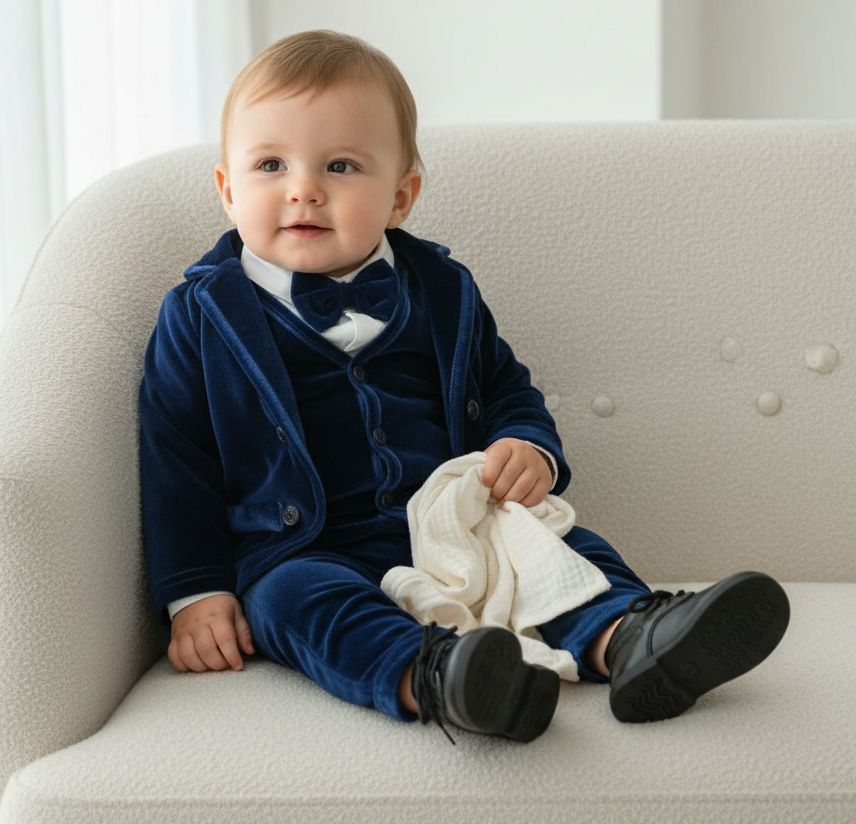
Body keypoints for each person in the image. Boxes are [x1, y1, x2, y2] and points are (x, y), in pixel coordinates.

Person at [138, 30, 790, 745]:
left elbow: (504, 385)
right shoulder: (200, 316)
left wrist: (528, 446)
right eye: (270, 165)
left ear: (400, 196)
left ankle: (634, 641)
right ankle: (442, 677)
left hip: (454, 516)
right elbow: (177, 459)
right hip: (304, 544)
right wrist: (195, 591)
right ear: (228, 190)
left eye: (341, 165)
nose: (304, 189)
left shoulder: (444, 290)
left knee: (556, 545)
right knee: (294, 603)